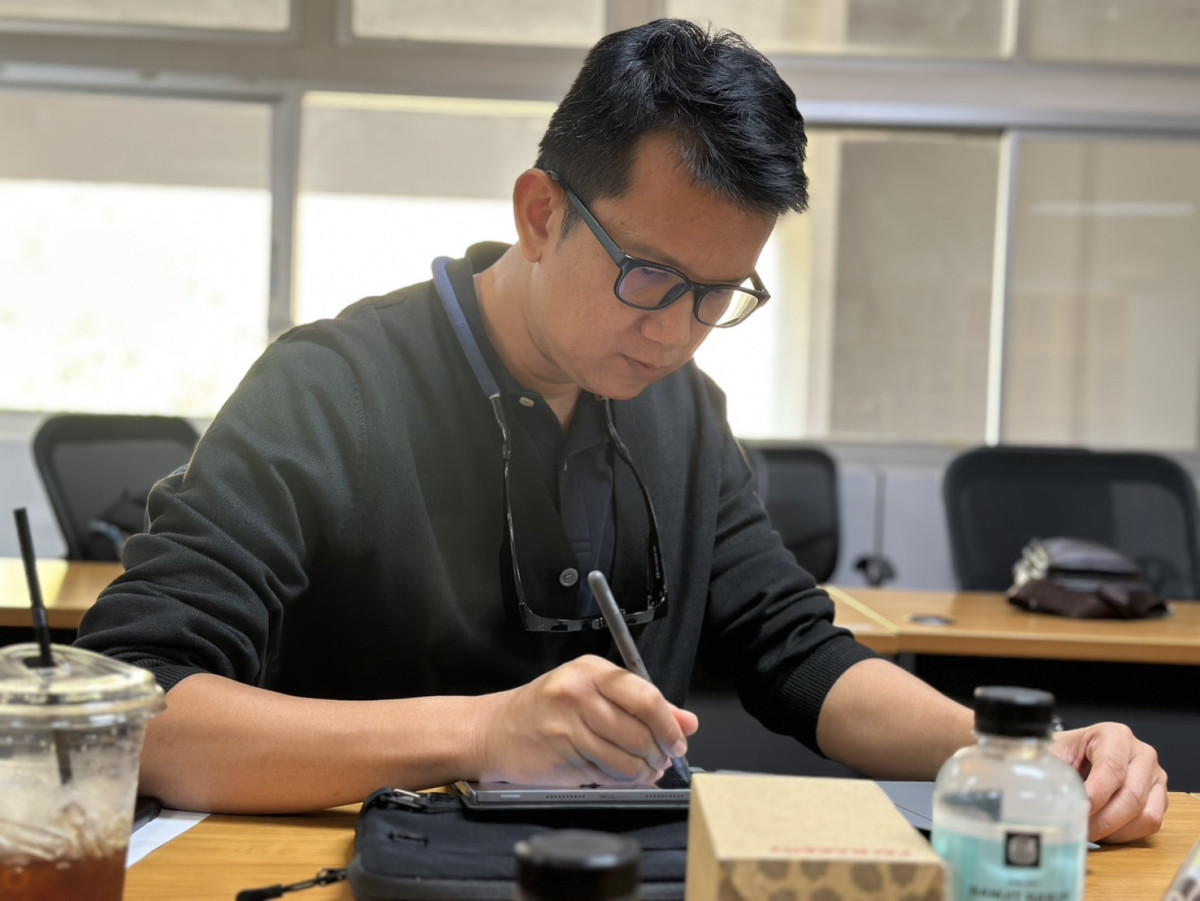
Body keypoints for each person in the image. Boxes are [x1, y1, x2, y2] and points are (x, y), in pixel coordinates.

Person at [75, 18, 1166, 842]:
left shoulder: (681, 411)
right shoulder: (333, 389)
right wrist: (480, 732)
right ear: (540, 212)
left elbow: (796, 650)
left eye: (719, 294)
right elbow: (133, 707)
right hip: (361, 868)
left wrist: (1018, 753)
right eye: (650, 275)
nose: (678, 333)